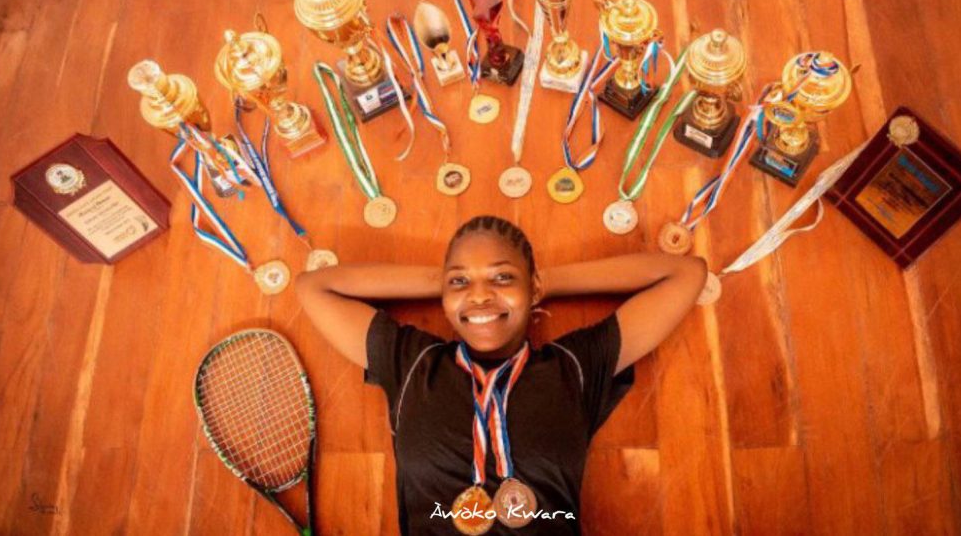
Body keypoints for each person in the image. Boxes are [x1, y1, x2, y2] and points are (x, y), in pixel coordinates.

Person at [296, 215, 706, 535]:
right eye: (460, 281)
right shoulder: (411, 363)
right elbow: (315, 287)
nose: (479, 295)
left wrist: (541, 282)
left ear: (533, 288)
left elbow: (685, 274)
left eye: (503, 277)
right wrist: (450, 285)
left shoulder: (575, 367)